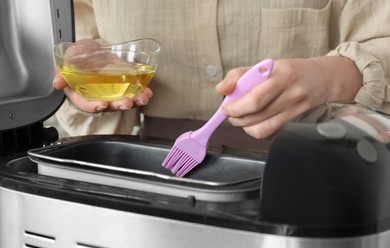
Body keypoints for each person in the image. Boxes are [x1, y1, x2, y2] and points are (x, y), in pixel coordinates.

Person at [51, 0, 390, 150]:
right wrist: (85, 71)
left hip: (327, 161)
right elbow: (82, 30)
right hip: (147, 162)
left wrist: (331, 75)